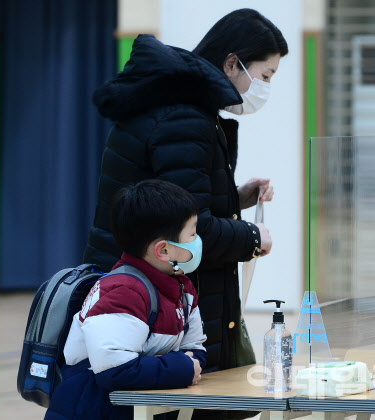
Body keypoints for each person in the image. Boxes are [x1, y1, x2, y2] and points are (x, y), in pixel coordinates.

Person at [83, 9, 288, 373]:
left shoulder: (177, 108)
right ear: (231, 63)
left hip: (145, 288)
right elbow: (188, 231)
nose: (266, 87)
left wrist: (236, 197)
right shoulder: (184, 118)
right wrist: (252, 237)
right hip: (151, 299)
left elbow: (174, 201)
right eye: (265, 75)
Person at [45, 180, 207, 420]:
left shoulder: (183, 289)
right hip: (91, 412)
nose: (198, 240)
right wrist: (178, 367)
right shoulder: (124, 291)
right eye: (192, 234)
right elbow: (116, 370)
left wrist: (164, 365)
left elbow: (196, 353)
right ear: (163, 250)